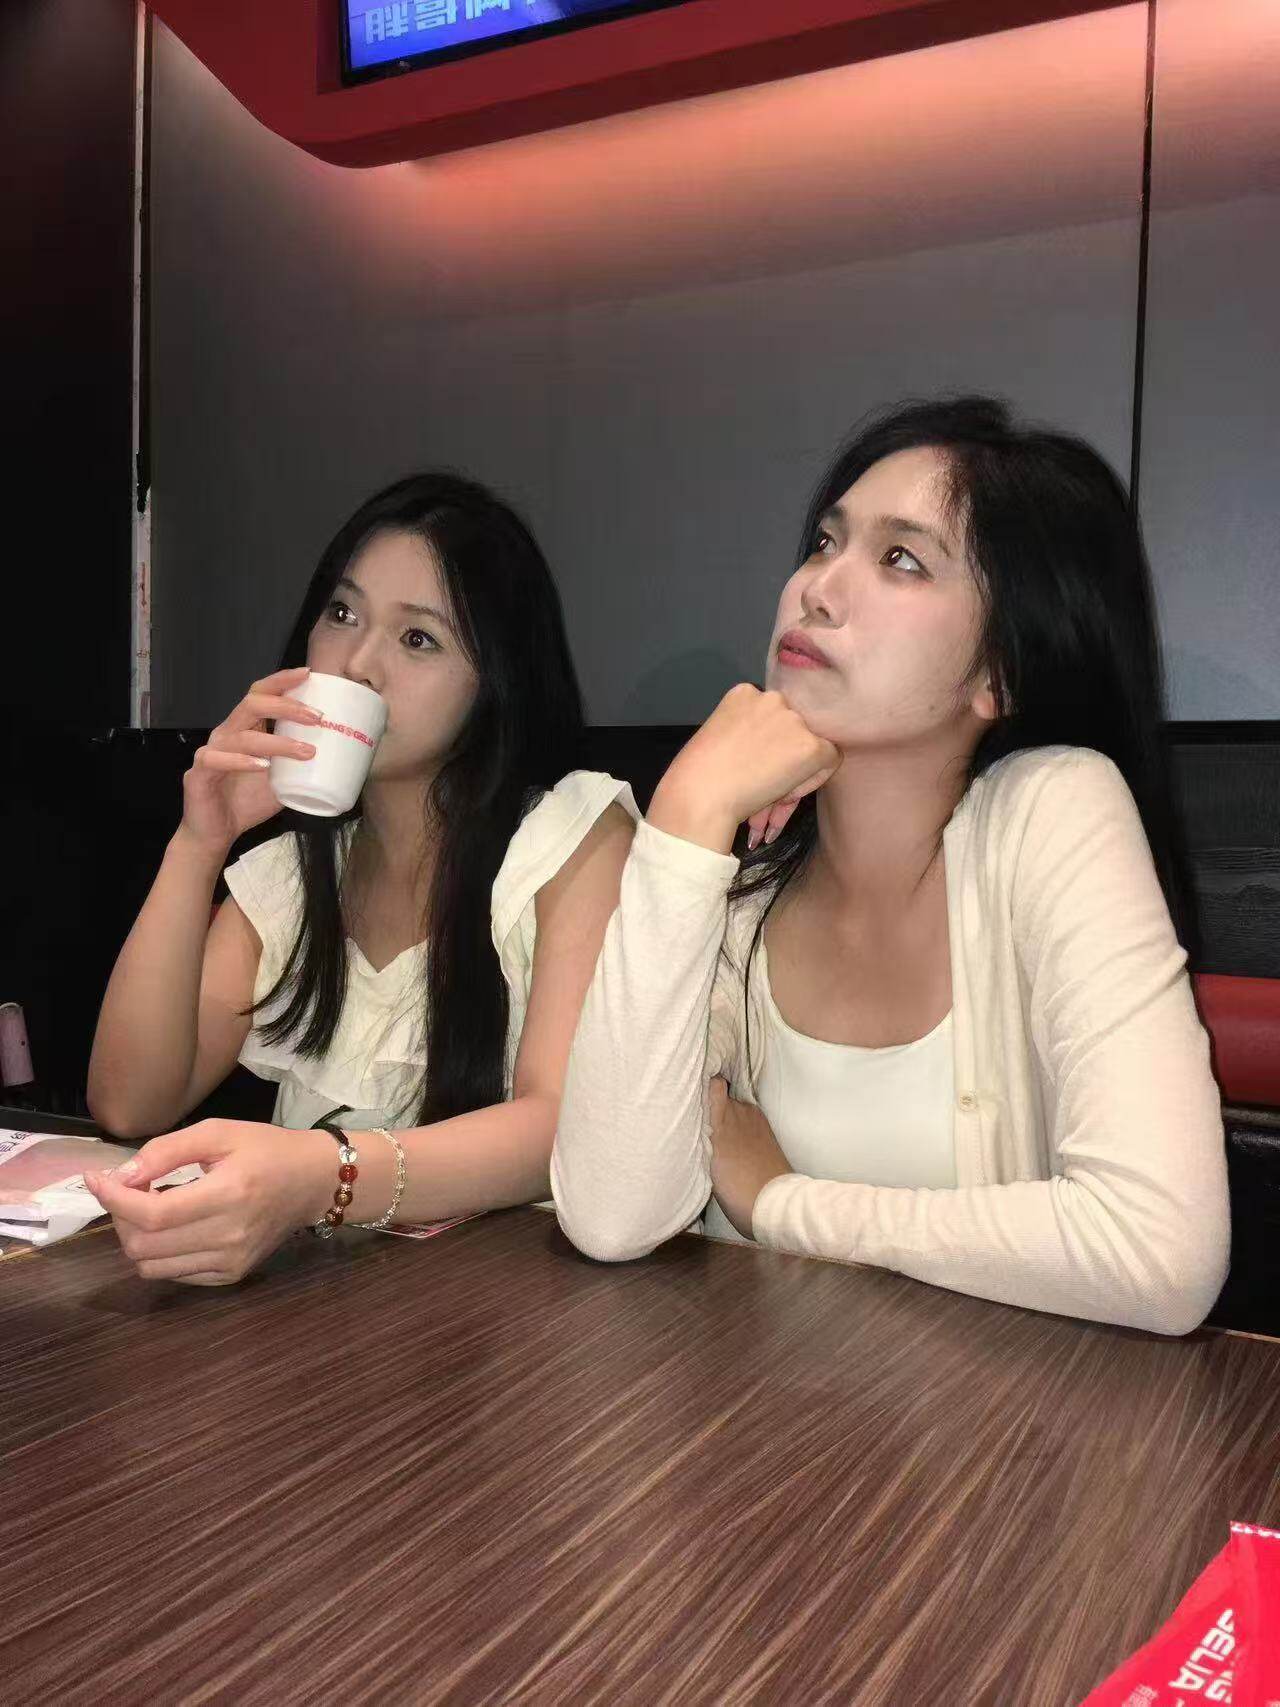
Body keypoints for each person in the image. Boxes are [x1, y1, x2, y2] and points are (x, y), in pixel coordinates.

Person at [551, 397, 1228, 1335]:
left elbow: (1160, 1252)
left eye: (901, 558)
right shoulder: (737, 884)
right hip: (744, 1413)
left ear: (1001, 673)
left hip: (997, 1425)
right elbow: (609, 1215)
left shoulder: (1051, 809)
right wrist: (686, 817)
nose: (818, 589)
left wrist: (782, 1201)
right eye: (824, 542)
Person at [86, 472, 634, 1283]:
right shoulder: (292, 877)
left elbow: (558, 1124)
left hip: (523, 1318)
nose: (358, 664)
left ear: (494, 685)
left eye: (418, 639)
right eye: (342, 614)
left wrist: (322, 1176)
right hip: (329, 1315)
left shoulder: (572, 838)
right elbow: (129, 1100)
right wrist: (198, 843)